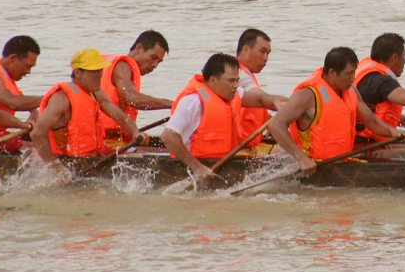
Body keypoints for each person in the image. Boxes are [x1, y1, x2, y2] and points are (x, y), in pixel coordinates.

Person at [267, 47, 405, 174]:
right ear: (332, 73)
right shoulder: (308, 94)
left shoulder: (351, 90)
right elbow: (276, 125)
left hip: (341, 162)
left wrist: (392, 132)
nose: (353, 78)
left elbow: (371, 121)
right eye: (348, 74)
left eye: (354, 72)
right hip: (312, 165)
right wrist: (301, 158)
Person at [161, 53, 284, 184]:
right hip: (198, 165)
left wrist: (277, 102)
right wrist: (197, 168)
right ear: (213, 80)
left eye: (237, 80)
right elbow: (168, 136)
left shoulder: (234, 94)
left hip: (224, 161)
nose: (236, 85)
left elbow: (260, 100)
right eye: (231, 80)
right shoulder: (193, 101)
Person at [30, 49, 148, 178]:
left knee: (137, 158)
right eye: (94, 71)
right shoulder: (61, 99)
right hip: (68, 161)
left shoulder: (96, 93)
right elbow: (37, 133)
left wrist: (135, 131)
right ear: (78, 73)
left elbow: (122, 118)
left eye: (100, 70)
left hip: (91, 158)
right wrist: (56, 166)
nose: (100, 75)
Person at [98, 30, 174, 143]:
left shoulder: (107, 63)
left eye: (159, 62)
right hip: (103, 140)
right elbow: (131, 98)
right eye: (153, 57)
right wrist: (171, 104)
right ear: (138, 48)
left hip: (103, 135)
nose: (155, 65)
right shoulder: (122, 66)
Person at [0, 35, 44, 153]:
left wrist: (33, 113)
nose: (28, 72)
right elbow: (12, 102)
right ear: (12, 58)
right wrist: (51, 97)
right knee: (29, 147)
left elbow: (22, 101)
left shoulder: (6, 78)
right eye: (28, 66)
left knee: (38, 138)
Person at [235, 28, 289, 149]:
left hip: (250, 143)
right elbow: (262, 98)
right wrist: (299, 105)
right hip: (238, 148)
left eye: (268, 53)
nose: (266, 58)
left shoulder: (246, 73)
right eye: (262, 51)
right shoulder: (237, 74)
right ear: (245, 50)